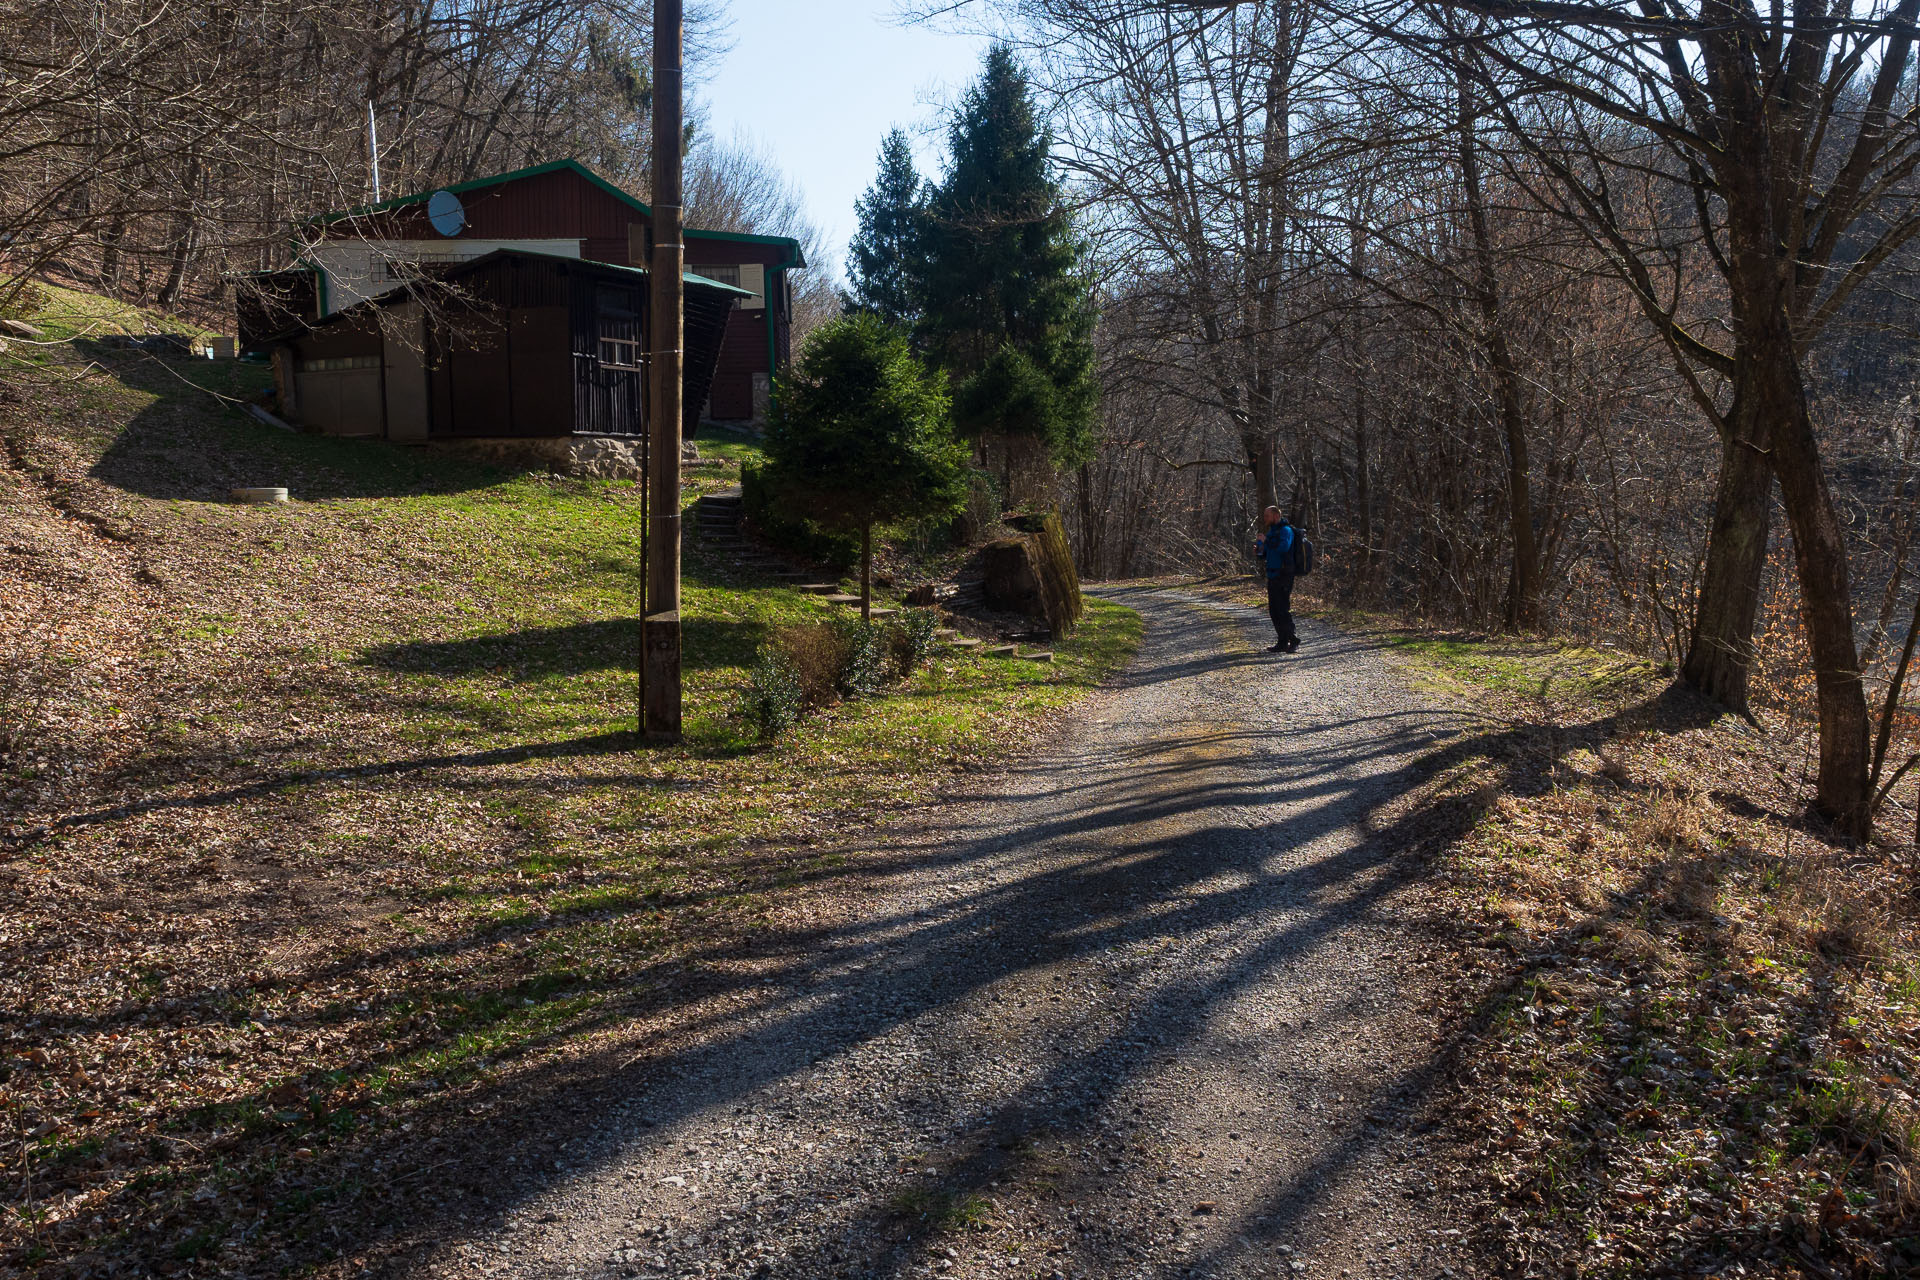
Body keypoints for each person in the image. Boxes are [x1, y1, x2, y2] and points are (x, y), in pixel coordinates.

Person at [1254, 506, 1299, 654]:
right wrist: (1260, 549)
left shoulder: (1286, 530)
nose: (1265, 518)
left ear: (1276, 516)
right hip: (1272, 575)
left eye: (1267, 516)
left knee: (1282, 609)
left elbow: (1283, 548)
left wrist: (1266, 541)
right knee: (1274, 610)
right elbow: (1266, 554)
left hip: (1284, 574)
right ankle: (1282, 642)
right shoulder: (1272, 532)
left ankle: (1293, 639)